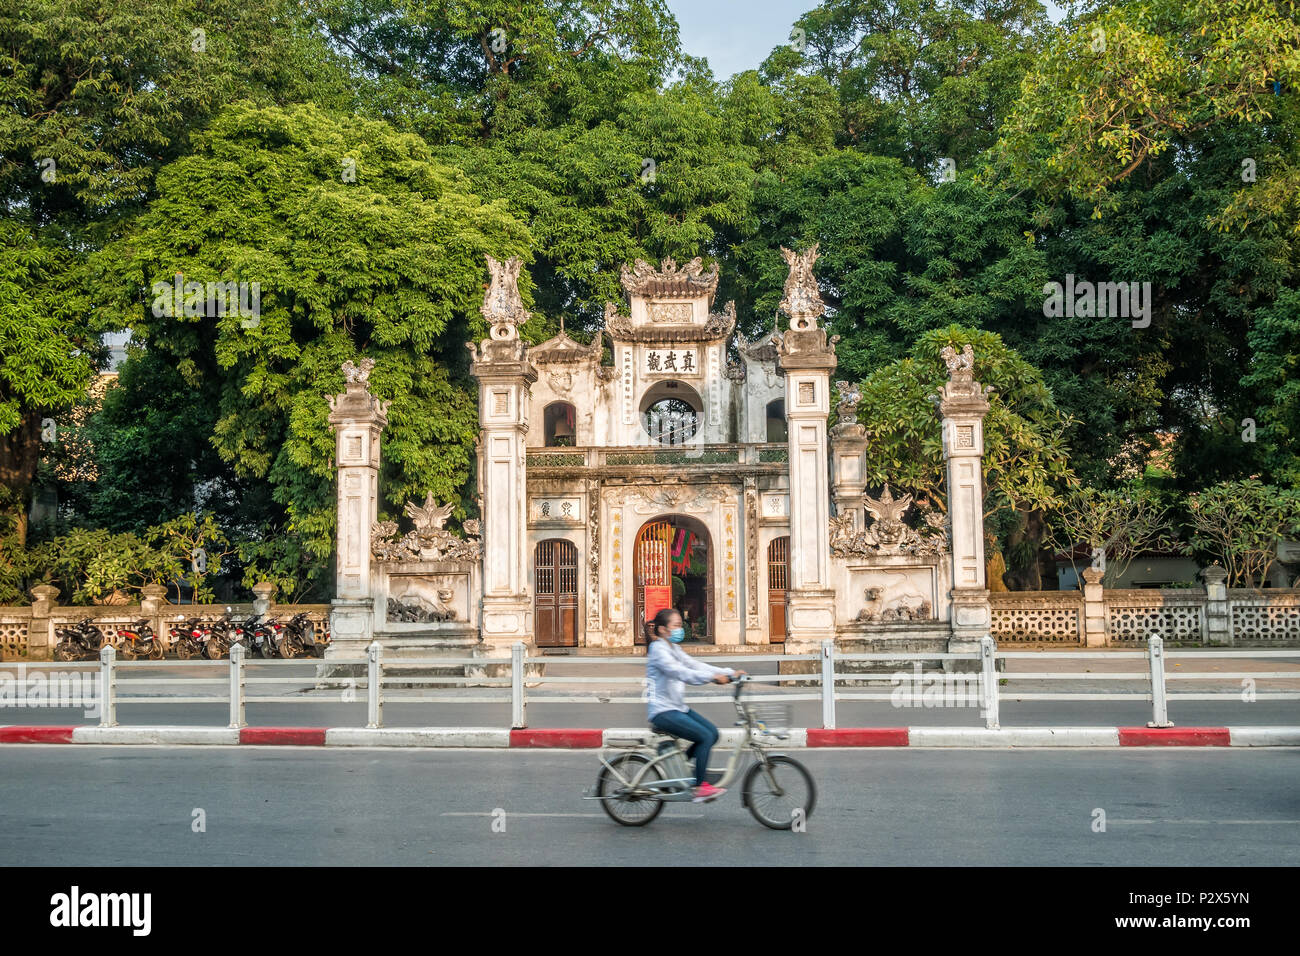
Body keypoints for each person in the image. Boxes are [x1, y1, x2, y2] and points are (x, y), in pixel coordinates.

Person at [644, 607, 746, 803]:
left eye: (680, 625)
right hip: (663, 711)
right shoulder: (658, 651)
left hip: (677, 708)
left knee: (713, 733)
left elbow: (695, 665)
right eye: (675, 626)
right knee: (705, 736)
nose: (679, 629)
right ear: (664, 629)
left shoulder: (674, 649)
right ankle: (699, 787)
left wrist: (729, 672)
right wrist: (714, 678)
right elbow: (682, 673)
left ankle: (680, 769)